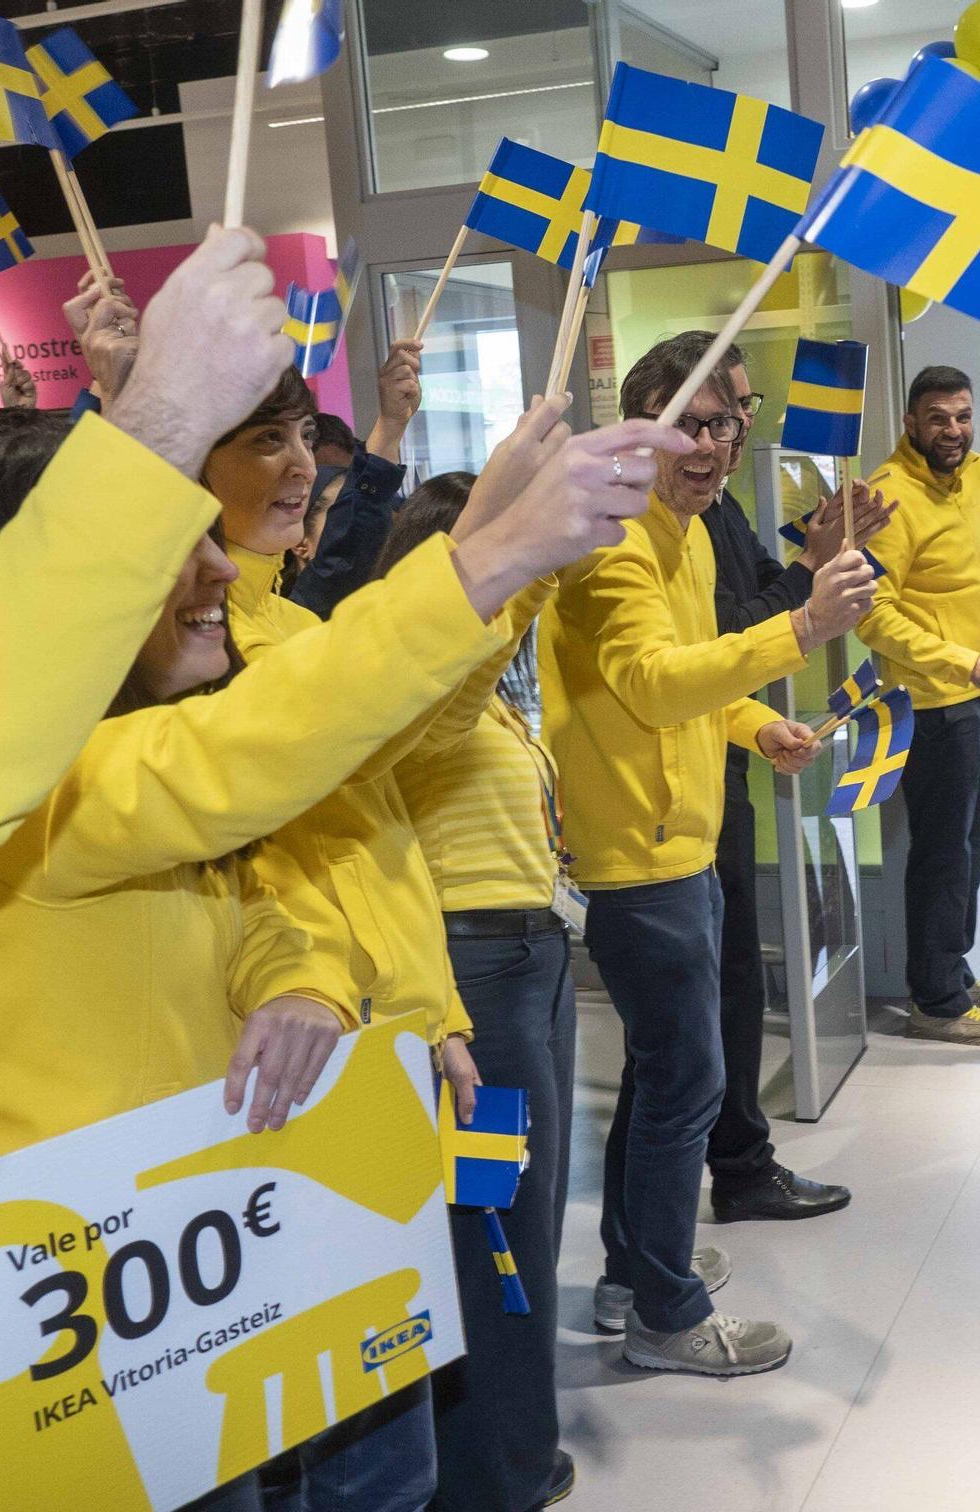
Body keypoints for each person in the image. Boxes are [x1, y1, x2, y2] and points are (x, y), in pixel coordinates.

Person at [0, 221, 317, 1512]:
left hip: (177, 1266)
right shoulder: (50, 785)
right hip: (48, 1303)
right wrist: (483, 566)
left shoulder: (136, 731)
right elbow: (279, 745)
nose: (216, 567)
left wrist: (309, 980)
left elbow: (262, 898)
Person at [213, 378, 685, 1507]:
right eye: (260, 442)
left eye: (298, 441)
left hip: (446, 1003)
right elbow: (304, 837)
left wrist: (432, 1016)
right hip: (379, 1015)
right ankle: (503, 1470)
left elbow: (366, 830)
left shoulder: (291, 629)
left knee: (483, 1252)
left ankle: (502, 1465)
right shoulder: (243, 651)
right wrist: (501, 567)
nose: (297, 468)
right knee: (472, 1259)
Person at [540, 335, 871, 1375]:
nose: (710, 443)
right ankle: (666, 1315)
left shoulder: (679, 529)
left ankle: (633, 1273)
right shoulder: (614, 541)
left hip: (679, 840)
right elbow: (643, 683)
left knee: (663, 1076)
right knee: (683, 1083)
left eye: (726, 422)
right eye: (688, 419)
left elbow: (683, 678)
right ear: (638, 423)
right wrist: (804, 627)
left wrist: (747, 727)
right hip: (639, 859)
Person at [385, 474, 575, 1512]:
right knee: (492, 1225)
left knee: (523, 1216)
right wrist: (527, 567)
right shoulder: (424, 682)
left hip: (526, 962)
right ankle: (492, 1475)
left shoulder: (483, 689)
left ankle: (510, 1448)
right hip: (473, 978)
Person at [691, 332, 882, 1223]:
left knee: (725, 989)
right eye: (712, 420)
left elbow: (745, 610)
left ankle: (738, 1161)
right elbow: (714, 647)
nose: (725, 440)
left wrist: (814, 548)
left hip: (716, 765)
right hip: (672, 805)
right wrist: (807, 591)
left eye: (737, 419)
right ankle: (719, 1179)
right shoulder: (657, 526)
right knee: (698, 1015)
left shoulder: (717, 508)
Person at [859, 365, 980, 1046]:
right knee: (942, 856)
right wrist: (966, 662)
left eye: (962, 416)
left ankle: (950, 969)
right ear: (910, 422)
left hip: (977, 702)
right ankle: (936, 1001)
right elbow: (871, 614)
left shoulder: (971, 475)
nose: (952, 430)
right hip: (933, 707)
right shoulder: (889, 496)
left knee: (971, 848)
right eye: (937, 418)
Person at [287, 342, 422, 618]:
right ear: (301, 542)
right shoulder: (296, 618)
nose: (305, 468)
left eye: (306, 436)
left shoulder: (384, 610)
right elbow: (350, 543)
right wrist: (390, 425)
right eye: (340, 510)